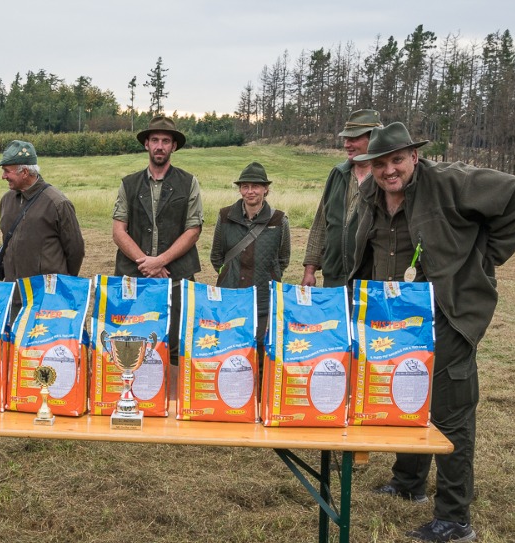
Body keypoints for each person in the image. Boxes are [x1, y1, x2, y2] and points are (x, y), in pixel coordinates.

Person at [349, 122, 515, 543]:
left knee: (452, 411)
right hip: (392, 318)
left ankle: (454, 517)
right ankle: (408, 481)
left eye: (397, 160)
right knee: (406, 394)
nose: (389, 170)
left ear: (414, 156)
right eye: (380, 163)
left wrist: (487, 255)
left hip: (446, 315)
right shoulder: (371, 195)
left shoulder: (452, 182)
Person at [112, 116, 203, 360]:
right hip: (134, 278)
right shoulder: (129, 184)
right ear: (146, 145)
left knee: (176, 345)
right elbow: (119, 231)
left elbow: (193, 230)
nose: (159, 146)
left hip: (177, 278)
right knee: (132, 342)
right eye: (154, 140)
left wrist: (161, 260)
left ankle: (173, 398)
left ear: (174, 146)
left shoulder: (189, 182)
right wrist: (147, 262)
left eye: (165, 140)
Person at [0, 140, 85, 309]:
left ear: (24, 172)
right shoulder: (6, 201)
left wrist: (60, 284)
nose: (3, 176)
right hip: (14, 297)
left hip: (47, 300)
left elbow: (75, 250)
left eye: (7, 171)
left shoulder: (57, 203)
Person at [209, 162, 290, 345]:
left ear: (266, 189)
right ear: (240, 190)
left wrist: (266, 276)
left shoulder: (279, 219)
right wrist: (229, 274)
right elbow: (216, 256)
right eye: (245, 186)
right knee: (229, 345)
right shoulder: (225, 216)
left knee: (260, 345)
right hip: (230, 295)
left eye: (256, 186)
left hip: (263, 297)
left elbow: (283, 258)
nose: (250, 191)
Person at [302, 109, 383, 288]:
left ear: (374, 138)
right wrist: (310, 269)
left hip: (371, 281)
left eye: (353, 139)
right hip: (334, 278)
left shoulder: (385, 178)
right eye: (346, 139)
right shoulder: (337, 174)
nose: (347, 144)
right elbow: (320, 224)